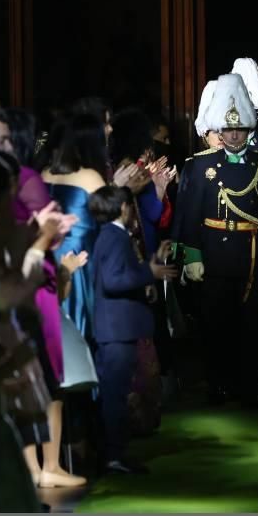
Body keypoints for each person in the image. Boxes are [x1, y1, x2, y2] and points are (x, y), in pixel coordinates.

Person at [173, 73, 258, 409]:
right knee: (215, 326)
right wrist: (192, 256)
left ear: (248, 129)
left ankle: (248, 389)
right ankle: (218, 385)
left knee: (252, 327)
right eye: (227, 128)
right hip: (214, 258)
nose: (233, 134)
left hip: (254, 256)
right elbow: (189, 215)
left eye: (239, 129)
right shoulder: (198, 166)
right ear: (218, 130)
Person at [89, 186, 177, 474]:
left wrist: (147, 276)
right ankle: (113, 456)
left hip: (118, 327)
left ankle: (114, 453)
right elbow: (114, 281)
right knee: (115, 395)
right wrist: (147, 273)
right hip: (117, 329)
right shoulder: (114, 237)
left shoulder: (111, 236)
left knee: (115, 393)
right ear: (124, 208)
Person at [39, 114, 108, 341]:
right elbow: (111, 223)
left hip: (49, 256)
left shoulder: (44, 174)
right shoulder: (90, 177)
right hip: (80, 258)